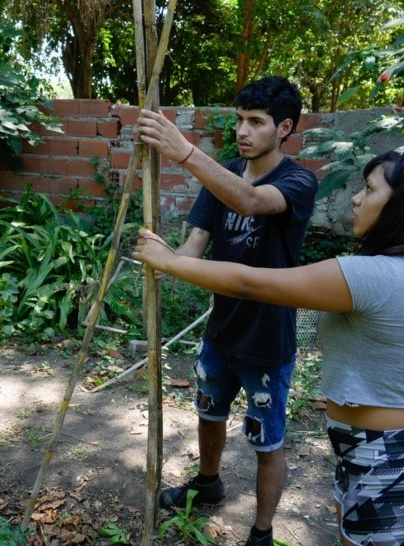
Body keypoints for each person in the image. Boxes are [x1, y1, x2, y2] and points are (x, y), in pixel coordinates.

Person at [132, 150, 404, 546]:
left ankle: (262, 531)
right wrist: (175, 260)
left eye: (369, 189)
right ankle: (209, 483)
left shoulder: (373, 276)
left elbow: (252, 282)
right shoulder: (385, 270)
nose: (356, 199)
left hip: (383, 451)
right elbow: (203, 240)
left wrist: (170, 263)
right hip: (360, 448)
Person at [136, 76, 319, 546]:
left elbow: (251, 201)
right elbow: (195, 242)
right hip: (221, 331)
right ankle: (209, 481)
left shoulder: (298, 181)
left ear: (284, 128)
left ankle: (261, 531)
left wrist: (185, 151)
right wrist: (166, 262)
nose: (243, 130)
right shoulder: (226, 172)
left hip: (266, 340)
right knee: (208, 412)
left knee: (267, 440)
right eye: (240, 120)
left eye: (256, 122)